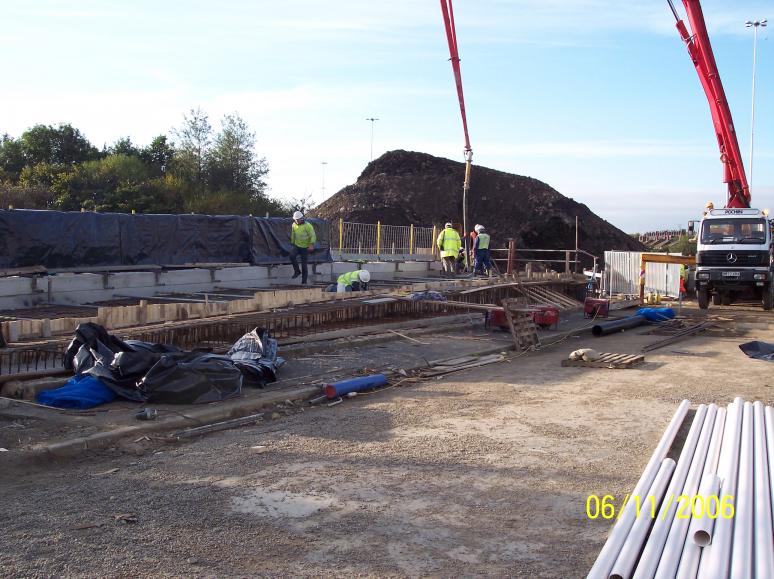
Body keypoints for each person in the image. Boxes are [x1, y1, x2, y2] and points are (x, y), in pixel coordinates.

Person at [289, 211, 316, 285]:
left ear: (301, 219)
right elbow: (293, 234)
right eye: (295, 219)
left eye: (298, 219)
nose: (296, 221)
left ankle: (304, 282)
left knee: (304, 264)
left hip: (305, 247)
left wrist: (311, 244)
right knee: (292, 256)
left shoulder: (307, 225)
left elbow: (313, 235)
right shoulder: (294, 225)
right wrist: (292, 243)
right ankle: (297, 271)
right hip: (297, 245)